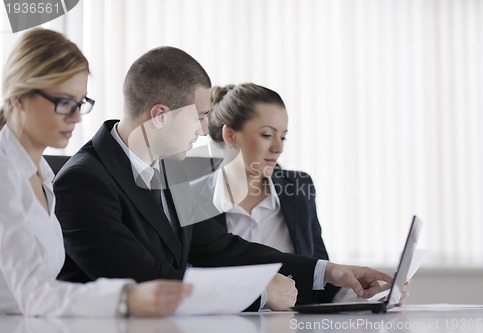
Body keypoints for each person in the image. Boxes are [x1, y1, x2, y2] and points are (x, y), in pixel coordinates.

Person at [53, 46, 393, 311]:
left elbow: (218, 250)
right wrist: (258, 293)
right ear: (159, 116)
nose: (204, 131)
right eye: (200, 117)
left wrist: (329, 271)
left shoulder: (173, 171)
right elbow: (140, 278)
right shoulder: (84, 181)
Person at [0, 28, 192, 317]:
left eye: (80, 103)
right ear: (18, 98)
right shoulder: (5, 174)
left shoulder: (42, 175)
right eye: (64, 102)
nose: (76, 117)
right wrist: (126, 298)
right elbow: (33, 295)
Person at [199, 82, 409, 304]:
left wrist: (370, 294)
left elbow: (320, 280)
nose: (279, 147)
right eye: (267, 134)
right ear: (230, 135)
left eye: (283, 136)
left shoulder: (299, 188)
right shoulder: (194, 198)